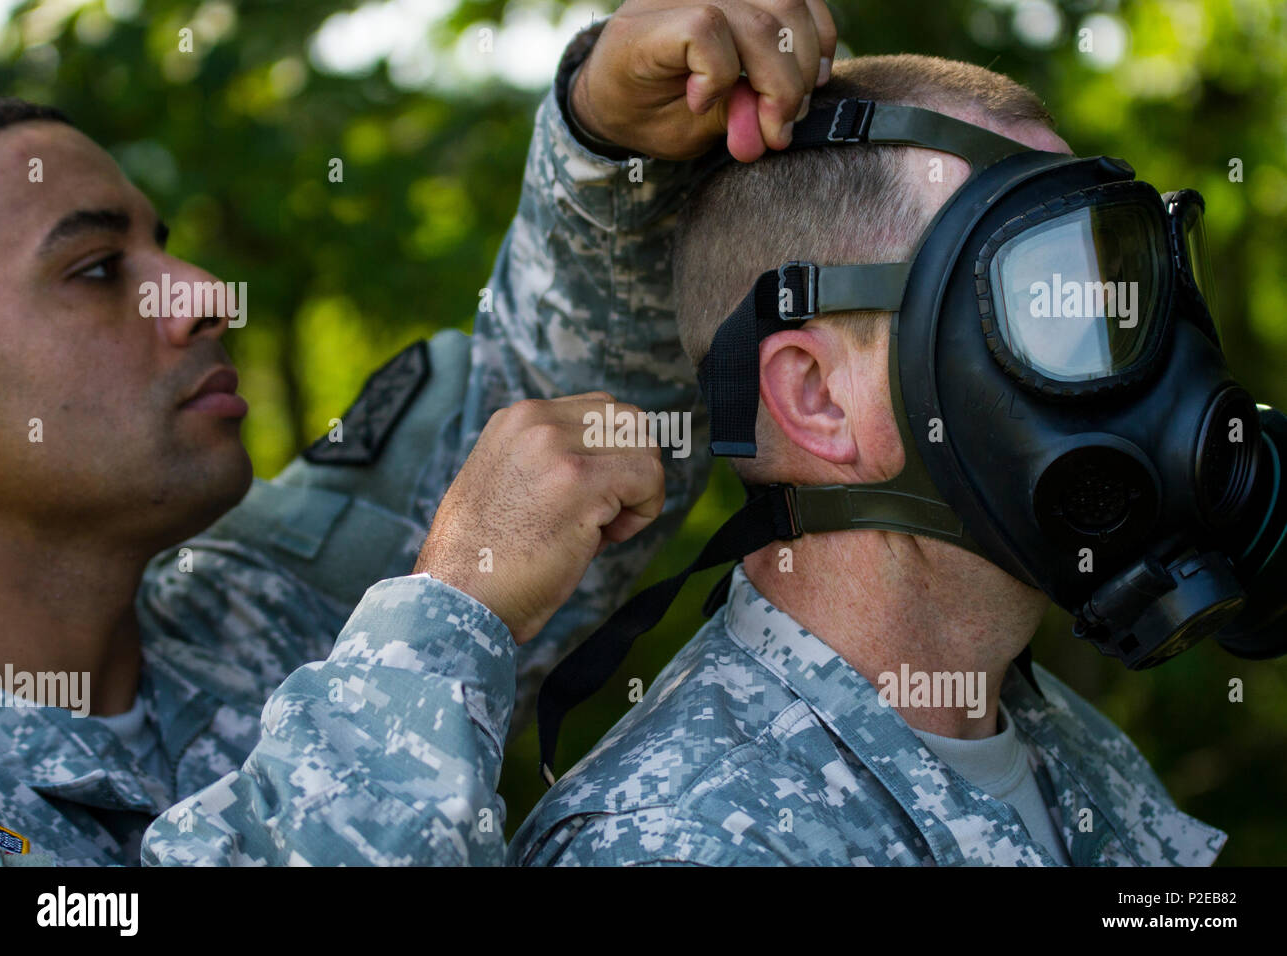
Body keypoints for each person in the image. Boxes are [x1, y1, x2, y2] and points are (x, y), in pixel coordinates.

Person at [0, 0, 836, 866]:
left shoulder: (246, 613)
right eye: (95, 270)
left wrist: (614, 142)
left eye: (160, 248)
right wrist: (453, 611)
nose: (202, 292)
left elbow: (574, 438)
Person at [509, 54, 1232, 867]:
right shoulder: (684, 841)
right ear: (817, 396)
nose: (1142, 368)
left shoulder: (1062, 739)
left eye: (1103, 293)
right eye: (1042, 301)